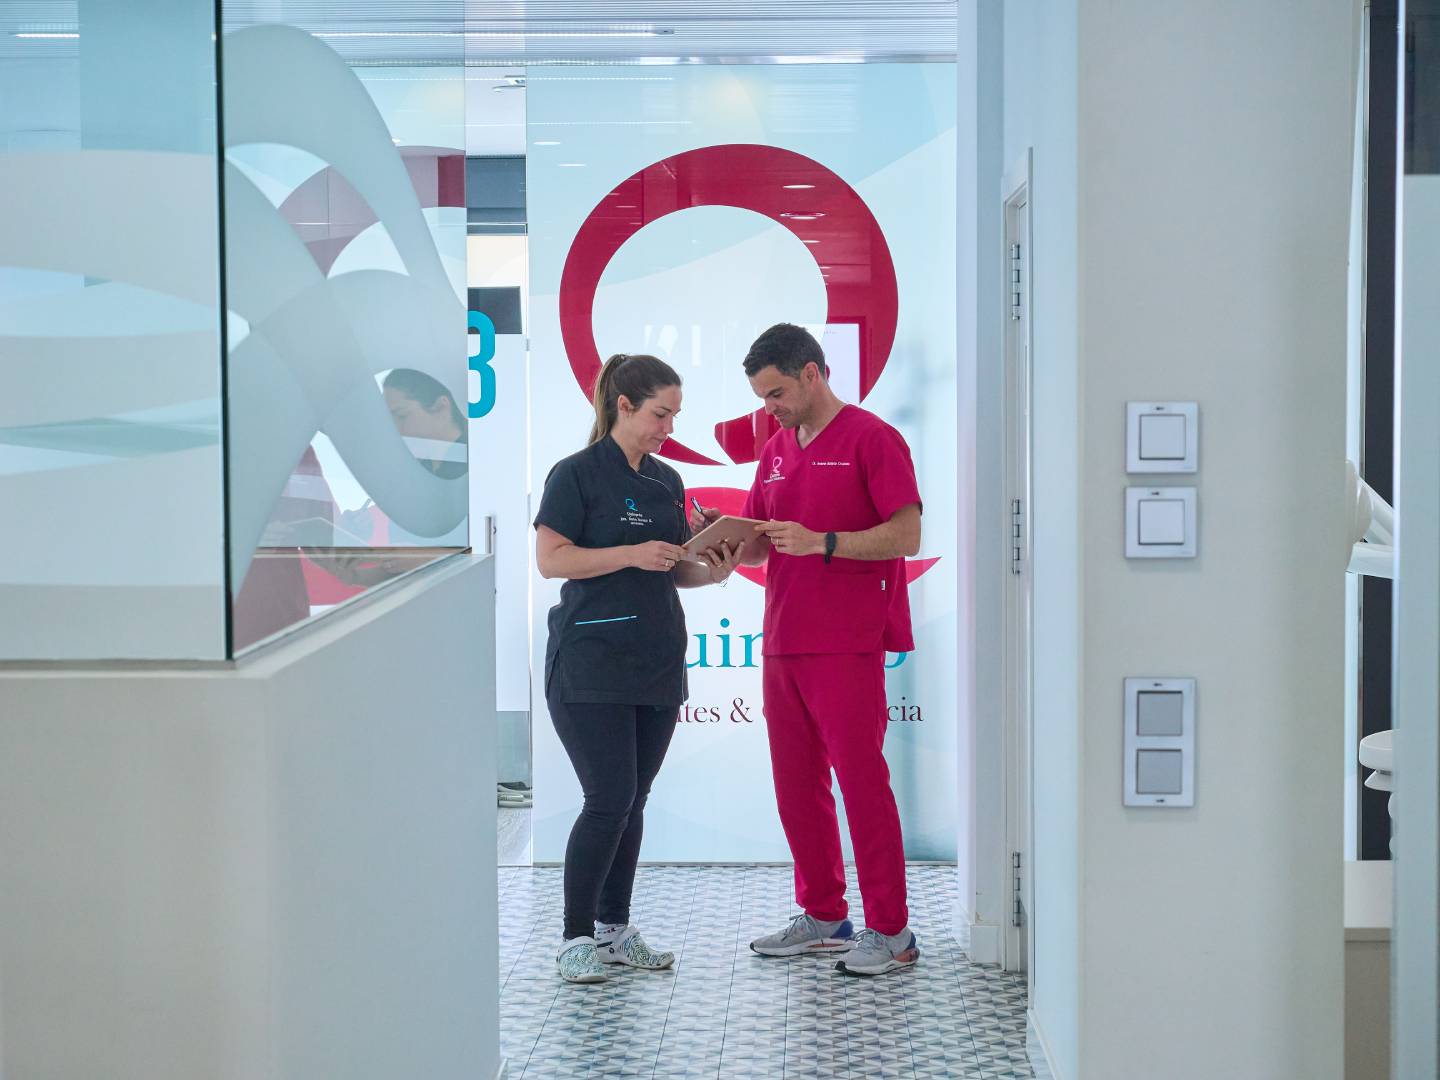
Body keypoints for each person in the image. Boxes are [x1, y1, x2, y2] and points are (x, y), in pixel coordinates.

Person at [534, 352, 742, 985]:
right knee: (608, 799)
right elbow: (552, 560)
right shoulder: (574, 475)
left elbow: (671, 567)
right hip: (591, 659)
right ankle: (575, 938)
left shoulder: (666, 483)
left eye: (675, 415)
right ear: (623, 404)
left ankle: (615, 931)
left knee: (634, 800)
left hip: (655, 659)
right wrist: (629, 551)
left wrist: (713, 569)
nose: (668, 428)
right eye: (660, 413)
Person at [733, 322, 923, 977]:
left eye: (778, 392)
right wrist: (728, 542)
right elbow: (763, 537)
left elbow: (905, 533)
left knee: (863, 786)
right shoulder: (778, 448)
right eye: (763, 397)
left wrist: (826, 542)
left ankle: (892, 933)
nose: (770, 407)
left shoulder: (874, 439)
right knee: (797, 789)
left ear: (813, 373)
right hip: (784, 638)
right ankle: (824, 916)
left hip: (846, 641)